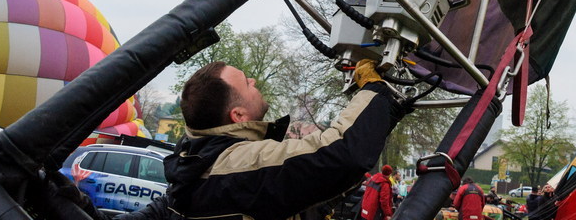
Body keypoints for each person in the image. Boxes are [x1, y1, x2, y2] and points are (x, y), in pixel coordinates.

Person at [117, 59, 404, 220]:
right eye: (245, 82)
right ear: (238, 115)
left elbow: (299, 193)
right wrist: (375, 92)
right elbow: (340, 153)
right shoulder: (239, 164)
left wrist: (383, 115)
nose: (253, 82)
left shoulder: (196, 165)